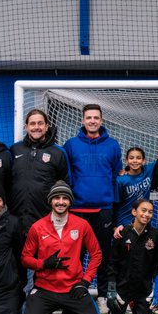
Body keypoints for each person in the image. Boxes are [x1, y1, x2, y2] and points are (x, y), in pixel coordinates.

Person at [19, 181, 102, 314]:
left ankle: (69, 311)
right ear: (50, 201)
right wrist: (43, 264)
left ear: (70, 201)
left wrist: (85, 281)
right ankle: (31, 303)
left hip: (73, 288)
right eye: (57, 198)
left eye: (65, 198)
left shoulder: (82, 225)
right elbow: (25, 258)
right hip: (45, 288)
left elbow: (96, 254)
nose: (61, 202)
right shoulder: (37, 227)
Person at [62, 104, 122, 295]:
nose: (92, 121)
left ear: (101, 120)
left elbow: (114, 176)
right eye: (89, 118)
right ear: (83, 120)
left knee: (102, 255)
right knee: (75, 255)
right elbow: (68, 175)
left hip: (104, 210)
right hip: (77, 210)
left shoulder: (112, 145)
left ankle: (103, 295)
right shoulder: (71, 145)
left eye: (96, 118)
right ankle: (75, 293)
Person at [9, 108, 71, 249]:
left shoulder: (59, 152)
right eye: (32, 124)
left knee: (44, 266)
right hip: (17, 219)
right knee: (18, 266)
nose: (36, 127)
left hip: (46, 220)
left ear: (46, 126)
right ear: (26, 127)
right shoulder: (15, 150)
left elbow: (66, 185)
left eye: (40, 123)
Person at [108, 198, 158, 314]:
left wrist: (156, 293)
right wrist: (111, 291)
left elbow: (157, 266)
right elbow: (112, 265)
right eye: (143, 210)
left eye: (150, 212)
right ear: (134, 212)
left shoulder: (156, 235)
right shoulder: (121, 233)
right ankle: (121, 307)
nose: (146, 214)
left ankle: (135, 305)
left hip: (142, 290)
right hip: (123, 289)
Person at [115, 146, 155, 227]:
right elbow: (115, 205)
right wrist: (115, 226)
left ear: (144, 161)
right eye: (131, 158)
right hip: (124, 222)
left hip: (144, 220)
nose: (135, 161)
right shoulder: (120, 180)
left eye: (138, 158)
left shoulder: (148, 170)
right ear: (127, 160)